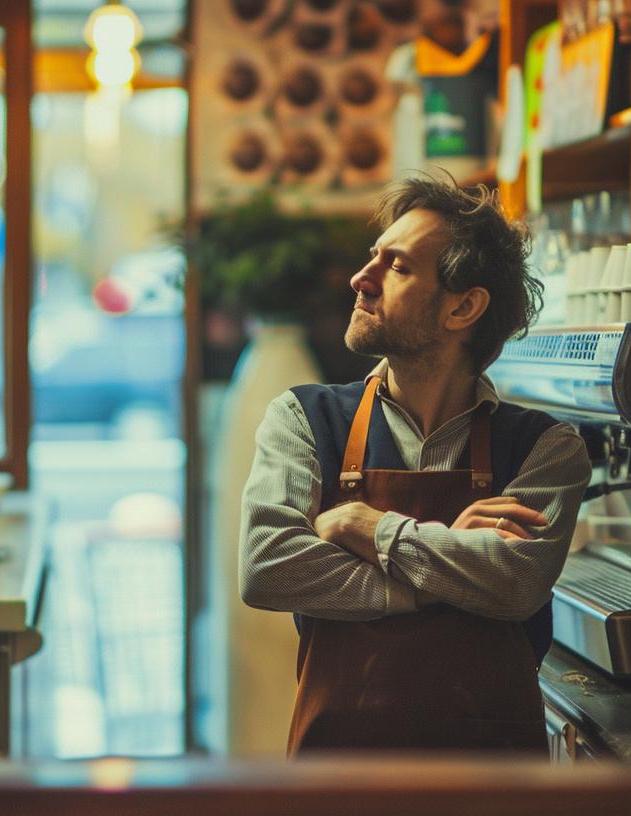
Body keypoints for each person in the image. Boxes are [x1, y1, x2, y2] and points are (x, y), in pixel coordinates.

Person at [238, 174, 590, 755]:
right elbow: (268, 567)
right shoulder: (302, 418)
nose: (360, 278)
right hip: (341, 773)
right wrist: (439, 571)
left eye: (396, 266)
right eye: (373, 257)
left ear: (463, 307)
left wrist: (364, 527)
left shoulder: (546, 448)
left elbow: (517, 582)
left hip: (490, 786)